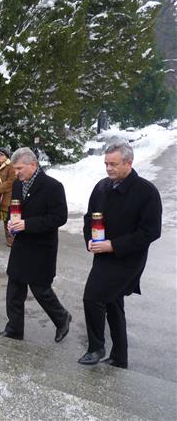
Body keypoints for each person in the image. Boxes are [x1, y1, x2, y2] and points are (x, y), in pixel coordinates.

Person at [78, 141, 162, 369]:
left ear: (129, 163)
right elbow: (89, 218)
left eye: (113, 164)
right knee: (113, 303)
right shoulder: (102, 187)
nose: (109, 169)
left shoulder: (146, 192)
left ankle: (96, 347)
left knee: (93, 297)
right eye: (106, 164)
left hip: (127, 259)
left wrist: (113, 245)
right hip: (102, 254)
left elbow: (151, 231)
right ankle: (120, 356)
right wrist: (90, 239)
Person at [0, 147, 71, 342]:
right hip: (21, 245)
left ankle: (62, 317)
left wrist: (27, 224)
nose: (16, 172)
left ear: (33, 164)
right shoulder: (17, 185)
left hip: (41, 247)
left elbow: (59, 217)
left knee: (41, 289)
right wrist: (10, 223)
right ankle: (14, 329)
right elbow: (13, 209)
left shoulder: (53, 186)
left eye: (20, 168)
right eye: (14, 168)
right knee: (14, 289)